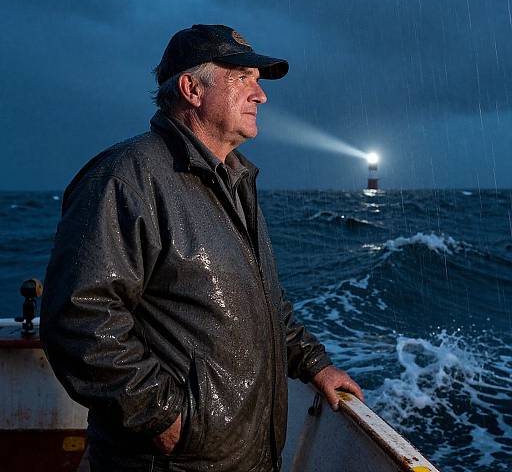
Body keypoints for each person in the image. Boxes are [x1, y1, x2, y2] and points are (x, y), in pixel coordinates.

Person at [41, 24, 364, 472]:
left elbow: (260, 298)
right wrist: (168, 421)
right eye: (242, 78)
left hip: (241, 456)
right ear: (192, 88)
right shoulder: (125, 178)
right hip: (174, 461)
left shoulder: (235, 180)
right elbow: (79, 319)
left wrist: (312, 363)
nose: (260, 95)